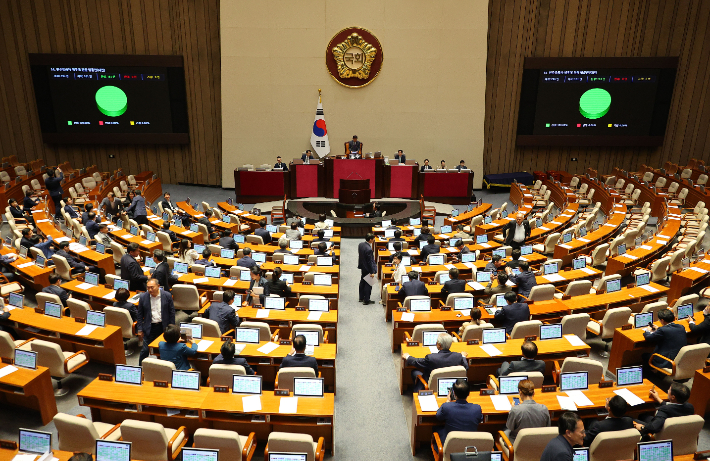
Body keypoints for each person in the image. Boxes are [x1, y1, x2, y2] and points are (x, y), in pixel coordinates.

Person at [403, 333, 468, 392]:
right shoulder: (458, 356)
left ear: (439, 345)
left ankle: (417, 389)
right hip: (450, 383)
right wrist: (463, 356)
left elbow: (416, 362)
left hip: (431, 384)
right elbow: (466, 368)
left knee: (414, 372)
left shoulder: (431, 358)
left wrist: (408, 356)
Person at [434, 379, 483, 448]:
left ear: (454, 393)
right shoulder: (477, 408)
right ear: (469, 393)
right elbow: (480, 419)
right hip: (470, 445)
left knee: (436, 427)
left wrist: (447, 401)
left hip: (450, 444)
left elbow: (438, 417)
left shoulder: (447, 407)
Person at [137, 278, 176, 364]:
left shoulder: (167, 295)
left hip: (163, 327)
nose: (150, 290)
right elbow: (139, 314)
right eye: (148, 287)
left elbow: (172, 312)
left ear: (158, 286)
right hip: (149, 327)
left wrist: (172, 327)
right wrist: (139, 329)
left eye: (152, 287)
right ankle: (140, 368)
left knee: (163, 349)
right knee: (145, 350)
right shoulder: (143, 297)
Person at [357, 233, 377, 304]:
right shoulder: (369, 249)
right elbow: (370, 262)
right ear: (370, 240)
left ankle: (361, 297)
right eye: (373, 239)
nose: (374, 240)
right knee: (368, 283)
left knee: (362, 281)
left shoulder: (361, 244)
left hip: (362, 266)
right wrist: (372, 272)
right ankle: (366, 300)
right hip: (368, 268)